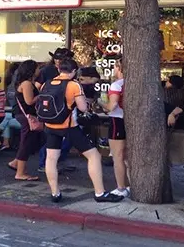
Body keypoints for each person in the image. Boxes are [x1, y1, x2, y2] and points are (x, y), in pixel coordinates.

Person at [42, 58, 122, 203]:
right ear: (73, 71)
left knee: (51, 159)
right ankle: (99, 193)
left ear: (59, 70)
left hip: (50, 126)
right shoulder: (73, 85)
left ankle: (55, 193)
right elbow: (82, 108)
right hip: (69, 126)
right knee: (94, 156)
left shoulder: (46, 84)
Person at [7, 60, 42, 181]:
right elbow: (29, 101)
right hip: (26, 115)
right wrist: (41, 95)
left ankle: (16, 163)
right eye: (37, 68)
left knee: (28, 140)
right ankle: (20, 172)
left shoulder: (27, 82)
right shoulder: (27, 83)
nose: (39, 70)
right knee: (26, 142)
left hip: (25, 115)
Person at [105, 61, 131, 198]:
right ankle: (132, 185)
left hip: (117, 120)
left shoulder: (116, 85)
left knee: (118, 156)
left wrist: (102, 103)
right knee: (128, 157)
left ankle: (121, 188)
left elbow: (112, 105)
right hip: (131, 121)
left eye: (114, 67)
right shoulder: (134, 83)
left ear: (119, 68)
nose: (113, 70)